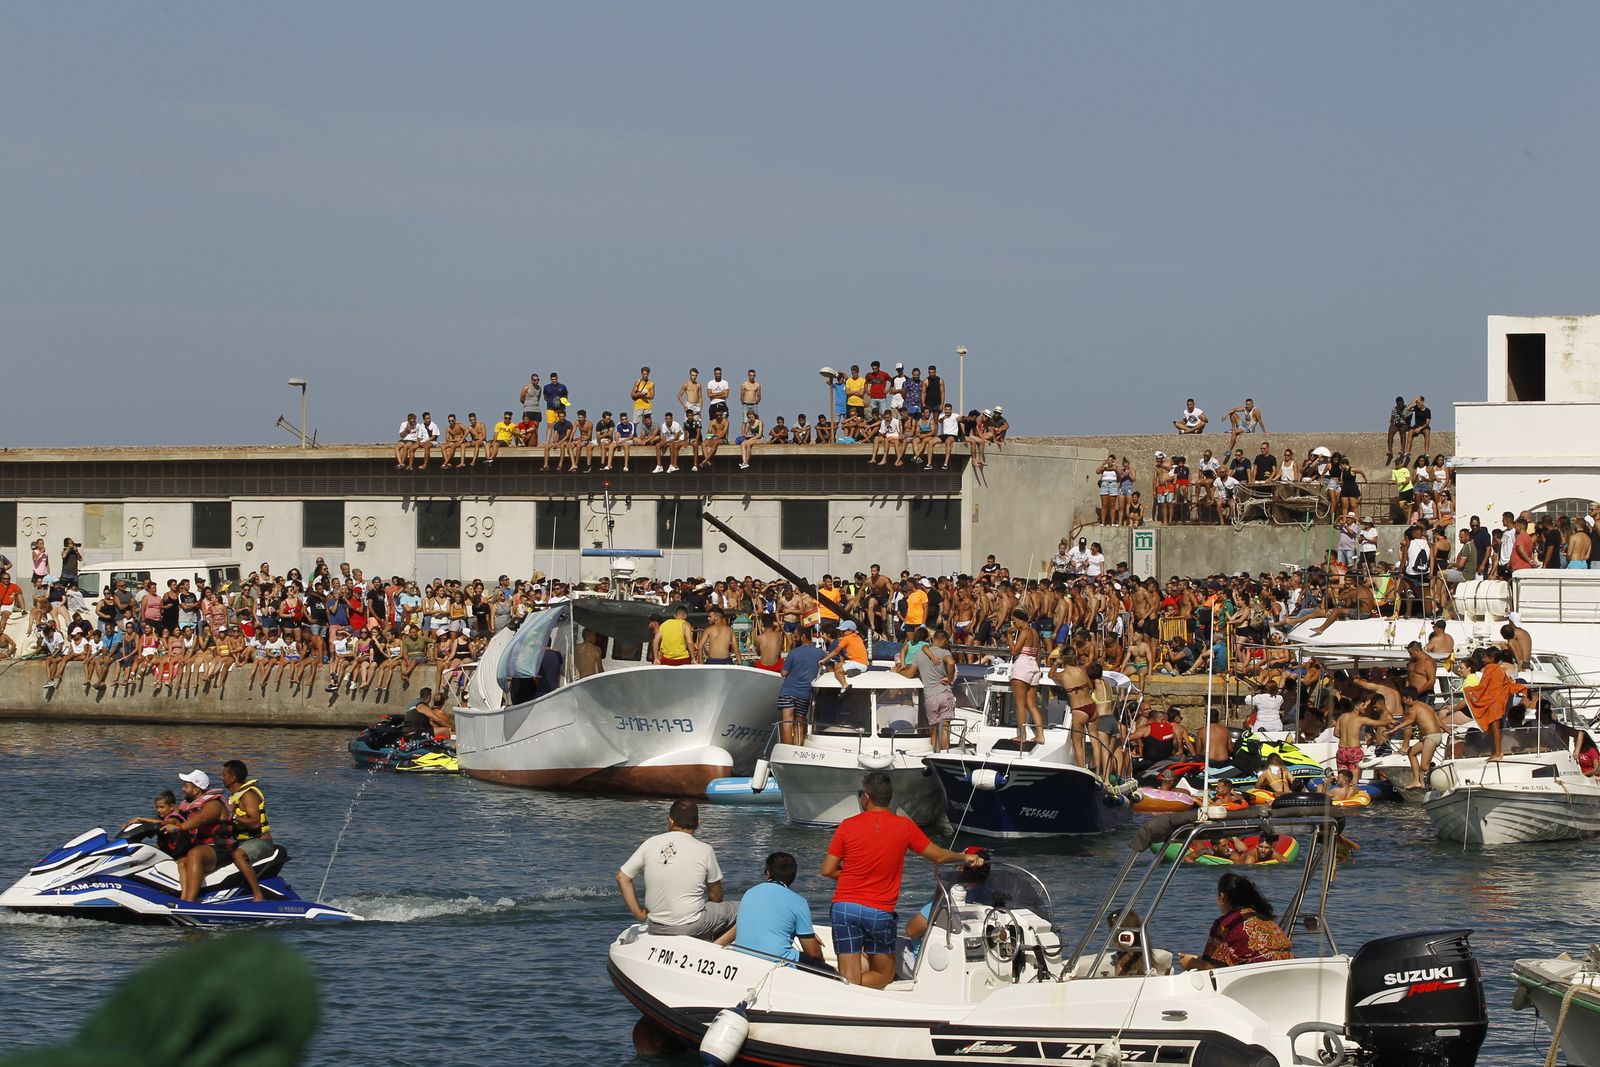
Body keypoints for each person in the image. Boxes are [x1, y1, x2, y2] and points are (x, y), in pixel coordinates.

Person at [821, 772, 985, 988]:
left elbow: (827, 870)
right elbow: (939, 856)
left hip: (844, 907)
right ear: (890, 797)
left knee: (849, 975)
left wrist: (854, 875)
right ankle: (840, 989)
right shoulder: (904, 826)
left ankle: (830, 986)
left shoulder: (847, 825)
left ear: (866, 797)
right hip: (878, 911)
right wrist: (965, 857)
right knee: (884, 975)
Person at [615, 799, 735, 940]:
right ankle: (715, 947)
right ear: (698, 823)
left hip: (655, 925)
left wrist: (639, 914)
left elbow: (622, 877)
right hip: (690, 926)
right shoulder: (705, 850)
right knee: (740, 909)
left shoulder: (650, 843)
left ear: (670, 821)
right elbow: (715, 896)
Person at [715, 851, 826, 969]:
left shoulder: (750, 893)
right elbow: (813, 954)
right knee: (830, 972)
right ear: (793, 876)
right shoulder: (799, 902)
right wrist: (820, 959)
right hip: (776, 962)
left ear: (768, 873)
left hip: (743, 955)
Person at [1178, 872, 1292, 970]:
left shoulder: (1224, 924)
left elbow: (1215, 969)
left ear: (1222, 897)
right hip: (1287, 967)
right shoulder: (1265, 918)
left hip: (1258, 977)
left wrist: (1192, 963)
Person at [164, 770, 231, 903]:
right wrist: (144, 822)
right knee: (182, 861)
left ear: (196, 790)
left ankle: (190, 901)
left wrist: (179, 827)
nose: (183, 789)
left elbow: (201, 819)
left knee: (194, 854)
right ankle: (182, 898)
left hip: (221, 848)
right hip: (204, 849)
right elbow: (171, 819)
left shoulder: (214, 804)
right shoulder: (188, 805)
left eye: (186, 786)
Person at [221, 760, 271, 904]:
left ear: (233, 778)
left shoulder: (248, 795)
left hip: (262, 842)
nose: (221, 778)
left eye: (224, 774)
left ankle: (258, 895)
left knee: (238, 855)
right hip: (244, 841)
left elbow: (255, 823)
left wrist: (233, 817)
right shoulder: (235, 797)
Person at [778, 624, 825, 745]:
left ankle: (787, 751)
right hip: (805, 694)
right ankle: (797, 748)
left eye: (796, 636)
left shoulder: (793, 653)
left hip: (788, 691)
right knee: (799, 725)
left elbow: (784, 673)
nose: (794, 639)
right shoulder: (820, 653)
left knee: (787, 724)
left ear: (803, 637)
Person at [916, 629, 959, 752]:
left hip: (930, 697)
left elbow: (910, 672)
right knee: (945, 727)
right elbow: (951, 663)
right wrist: (950, 679)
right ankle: (944, 753)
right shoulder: (944, 652)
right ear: (944, 641)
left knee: (933, 728)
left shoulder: (920, 654)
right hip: (944, 694)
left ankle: (933, 752)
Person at [1007, 609, 1043, 747]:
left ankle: (1022, 735)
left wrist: (1010, 637)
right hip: (1034, 666)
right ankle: (1040, 735)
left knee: (1020, 703)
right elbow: (1038, 653)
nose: (1013, 624)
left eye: (1014, 621)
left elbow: (1014, 651)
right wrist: (1037, 669)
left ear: (1020, 620)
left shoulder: (1025, 632)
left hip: (1022, 665)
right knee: (1032, 705)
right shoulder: (1035, 633)